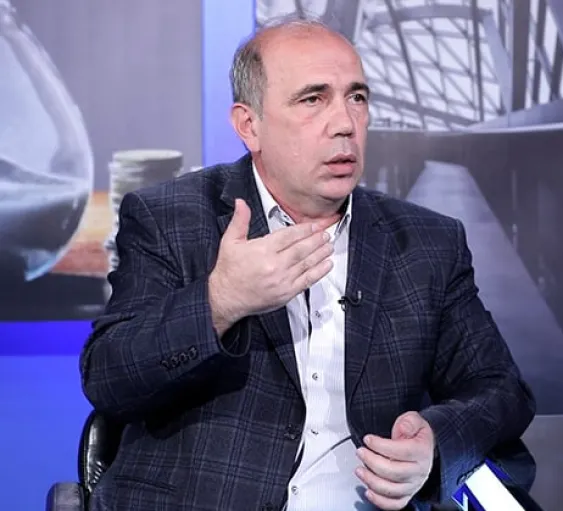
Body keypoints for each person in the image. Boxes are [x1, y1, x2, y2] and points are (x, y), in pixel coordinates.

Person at [80, 15, 535, 511]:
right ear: (249, 125)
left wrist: (434, 443)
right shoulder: (171, 217)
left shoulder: (427, 243)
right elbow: (110, 379)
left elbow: (500, 389)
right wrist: (220, 302)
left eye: (356, 97)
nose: (344, 124)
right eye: (313, 99)